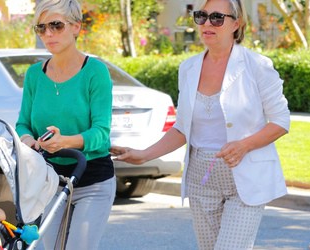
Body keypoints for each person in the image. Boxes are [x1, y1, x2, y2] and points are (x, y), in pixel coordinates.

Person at [110, 0, 290, 249]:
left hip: (245, 177)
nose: (207, 23)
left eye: (217, 17)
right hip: (201, 179)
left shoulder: (257, 66)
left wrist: (244, 145)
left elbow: (281, 121)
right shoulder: (188, 68)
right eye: (201, 16)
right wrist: (143, 155)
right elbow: (182, 128)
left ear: (236, 23)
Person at [15, 0, 115, 249]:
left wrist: (64, 142)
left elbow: (101, 133)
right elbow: (23, 124)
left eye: (56, 25)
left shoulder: (95, 72)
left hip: (92, 179)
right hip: (49, 180)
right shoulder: (34, 75)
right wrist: (30, 141)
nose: (48, 34)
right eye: (41, 27)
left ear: (76, 27)